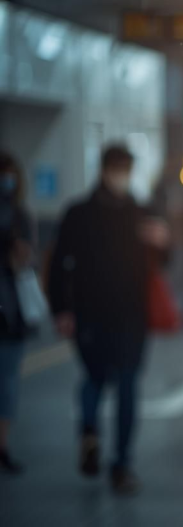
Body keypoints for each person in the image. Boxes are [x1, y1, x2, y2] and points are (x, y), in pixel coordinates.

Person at [47, 144, 169, 495]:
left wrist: (161, 243)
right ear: (103, 170)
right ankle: (97, 440)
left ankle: (120, 460)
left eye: (127, 170)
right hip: (91, 314)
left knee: (122, 384)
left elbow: (163, 262)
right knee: (98, 378)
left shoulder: (141, 212)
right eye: (118, 169)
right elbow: (58, 266)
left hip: (132, 316)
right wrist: (61, 310)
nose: (122, 177)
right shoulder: (79, 214)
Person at [0, 152, 33, 474]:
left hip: (11, 311)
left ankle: (3, 445)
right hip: (10, 311)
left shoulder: (19, 216)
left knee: (8, 381)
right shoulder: (18, 214)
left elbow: (25, 259)